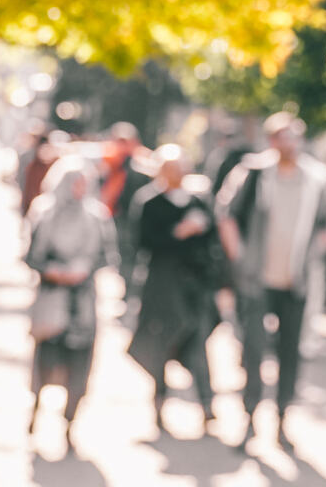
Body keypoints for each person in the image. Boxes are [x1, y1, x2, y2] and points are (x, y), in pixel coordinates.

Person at [216, 111, 326, 451]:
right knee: (253, 350)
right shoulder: (253, 173)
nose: (290, 143)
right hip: (257, 280)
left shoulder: (316, 178)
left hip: (295, 281)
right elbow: (226, 214)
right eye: (283, 136)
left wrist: (312, 259)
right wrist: (240, 257)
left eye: (295, 136)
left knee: (290, 353)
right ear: (272, 140)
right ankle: (250, 418)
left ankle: (283, 421)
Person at [127, 145, 224, 435]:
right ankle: (158, 405)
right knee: (162, 343)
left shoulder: (198, 201)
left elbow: (212, 239)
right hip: (162, 283)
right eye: (171, 169)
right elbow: (143, 242)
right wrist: (179, 232)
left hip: (195, 284)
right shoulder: (149, 202)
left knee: (197, 342)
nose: (177, 174)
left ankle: (207, 405)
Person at [24, 155, 118, 447]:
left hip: (82, 305)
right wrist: (54, 271)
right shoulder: (44, 212)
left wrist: (83, 270)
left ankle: (69, 426)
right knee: (45, 364)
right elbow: (31, 256)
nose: (79, 189)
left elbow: (108, 257)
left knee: (78, 369)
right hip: (52, 301)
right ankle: (36, 413)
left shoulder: (97, 217)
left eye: (84, 183)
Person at [100, 121, 153, 315]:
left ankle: (132, 295)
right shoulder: (111, 162)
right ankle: (127, 293)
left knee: (131, 257)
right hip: (115, 215)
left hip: (133, 219)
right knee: (121, 257)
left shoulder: (142, 163)